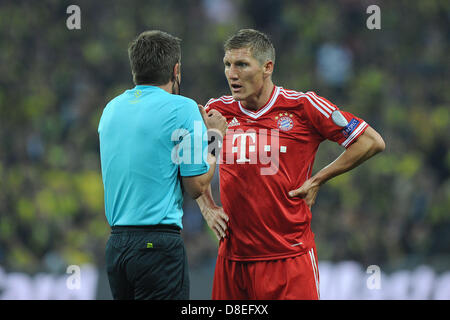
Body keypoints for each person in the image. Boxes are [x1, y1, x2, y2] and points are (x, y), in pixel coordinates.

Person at [196, 29, 385, 300]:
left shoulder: (303, 107)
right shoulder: (218, 112)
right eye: (227, 64)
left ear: (267, 67)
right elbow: (191, 166)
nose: (232, 74)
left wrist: (319, 178)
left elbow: (371, 141)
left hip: (289, 259)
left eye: (241, 64)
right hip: (233, 261)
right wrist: (207, 207)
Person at [98, 30, 227, 300]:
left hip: (117, 247)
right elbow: (197, 186)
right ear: (176, 70)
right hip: (157, 246)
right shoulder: (183, 108)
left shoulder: (111, 109)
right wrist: (214, 137)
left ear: (135, 69)